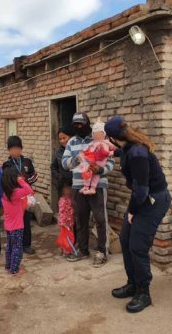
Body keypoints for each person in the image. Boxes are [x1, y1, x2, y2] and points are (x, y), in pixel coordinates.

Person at [104, 115, 171, 313]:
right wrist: (109, 151)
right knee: (125, 240)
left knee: (137, 247)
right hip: (143, 198)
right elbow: (122, 151)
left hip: (153, 200)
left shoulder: (138, 153)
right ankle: (132, 283)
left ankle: (144, 292)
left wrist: (133, 211)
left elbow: (141, 190)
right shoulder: (129, 146)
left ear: (113, 137)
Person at [62, 112, 115, 268]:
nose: (79, 127)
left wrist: (99, 170)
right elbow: (64, 163)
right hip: (78, 186)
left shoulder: (99, 138)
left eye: (81, 124)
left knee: (100, 219)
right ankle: (83, 249)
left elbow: (111, 162)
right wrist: (77, 158)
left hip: (98, 186)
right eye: (76, 125)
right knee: (81, 220)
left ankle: (102, 252)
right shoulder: (71, 142)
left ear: (88, 124)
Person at [2, 136, 38, 255]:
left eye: (17, 148)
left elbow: (35, 176)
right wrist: (17, 184)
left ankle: (26, 245)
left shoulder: (27, 162)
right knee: (15, 222)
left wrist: (25, 182)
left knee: (26, 220)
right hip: (14, 197)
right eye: (12, 148)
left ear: (21, 148)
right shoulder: (6, 164)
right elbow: (6, 180)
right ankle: (14, 244)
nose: (15, 151)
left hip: (25, 196)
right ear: (9, 150)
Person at [1, 165, 34, 275]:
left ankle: (8, 265)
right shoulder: (15, 193)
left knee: (10, 246)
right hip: (17, 226)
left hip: (9, 226)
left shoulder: (6, 193)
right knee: (17, 248)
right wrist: (21, 181)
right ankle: (15, 269)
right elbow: (29, 190)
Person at [77, 119, 116, 195]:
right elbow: (87, 148)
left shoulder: (106, 142)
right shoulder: (93, 142)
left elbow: (113, 149)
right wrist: (83, 153)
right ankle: (86, 186)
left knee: (96, 175)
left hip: (100, 162)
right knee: (87, 173)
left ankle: (92, 188)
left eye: (99, 134)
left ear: (104, 134)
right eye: (95, 134)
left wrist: (111, 152)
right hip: (92, 160)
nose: (97, 136)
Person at [50, 128, 73, 194]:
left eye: (64, 138)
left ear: (70, 137)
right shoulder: (59, 152)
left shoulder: (75, 150)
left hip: (76, 186)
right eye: (60, 139)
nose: (62, 141)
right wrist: (59, 176)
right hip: (64, 187)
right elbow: (53, 166)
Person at [57, 184, 75, 257]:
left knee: (70, 236)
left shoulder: (70, 199)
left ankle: (65, 248)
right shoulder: (63, 200)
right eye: (67, 190)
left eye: (69, 189)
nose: (69, 191)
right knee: (65, 236)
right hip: (64, 223)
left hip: (70, 222)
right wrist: (63, 222)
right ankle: (66, 251)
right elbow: (61, 212)